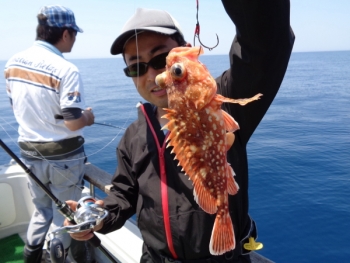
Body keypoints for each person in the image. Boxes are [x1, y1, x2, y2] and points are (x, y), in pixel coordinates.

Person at [66, 0, 295, 262]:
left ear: (187, 52)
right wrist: (102, 214)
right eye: (136, 67)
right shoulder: (133, 136)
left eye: (161, 59)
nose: (152, 74)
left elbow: (266, 43)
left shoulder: (222, 101)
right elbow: (123, 193)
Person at [4, 5, 95, 263]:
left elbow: (18, 108)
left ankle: (31, 257)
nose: (75, 39)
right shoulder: (66, 69)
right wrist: (88, 116)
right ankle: (58, 258)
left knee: (41, 209)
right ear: (65, 33)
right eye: (74, 34)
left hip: (28, 154)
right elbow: (72, 122)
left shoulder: (12, 63)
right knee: (63, 214)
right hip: (64, 157)